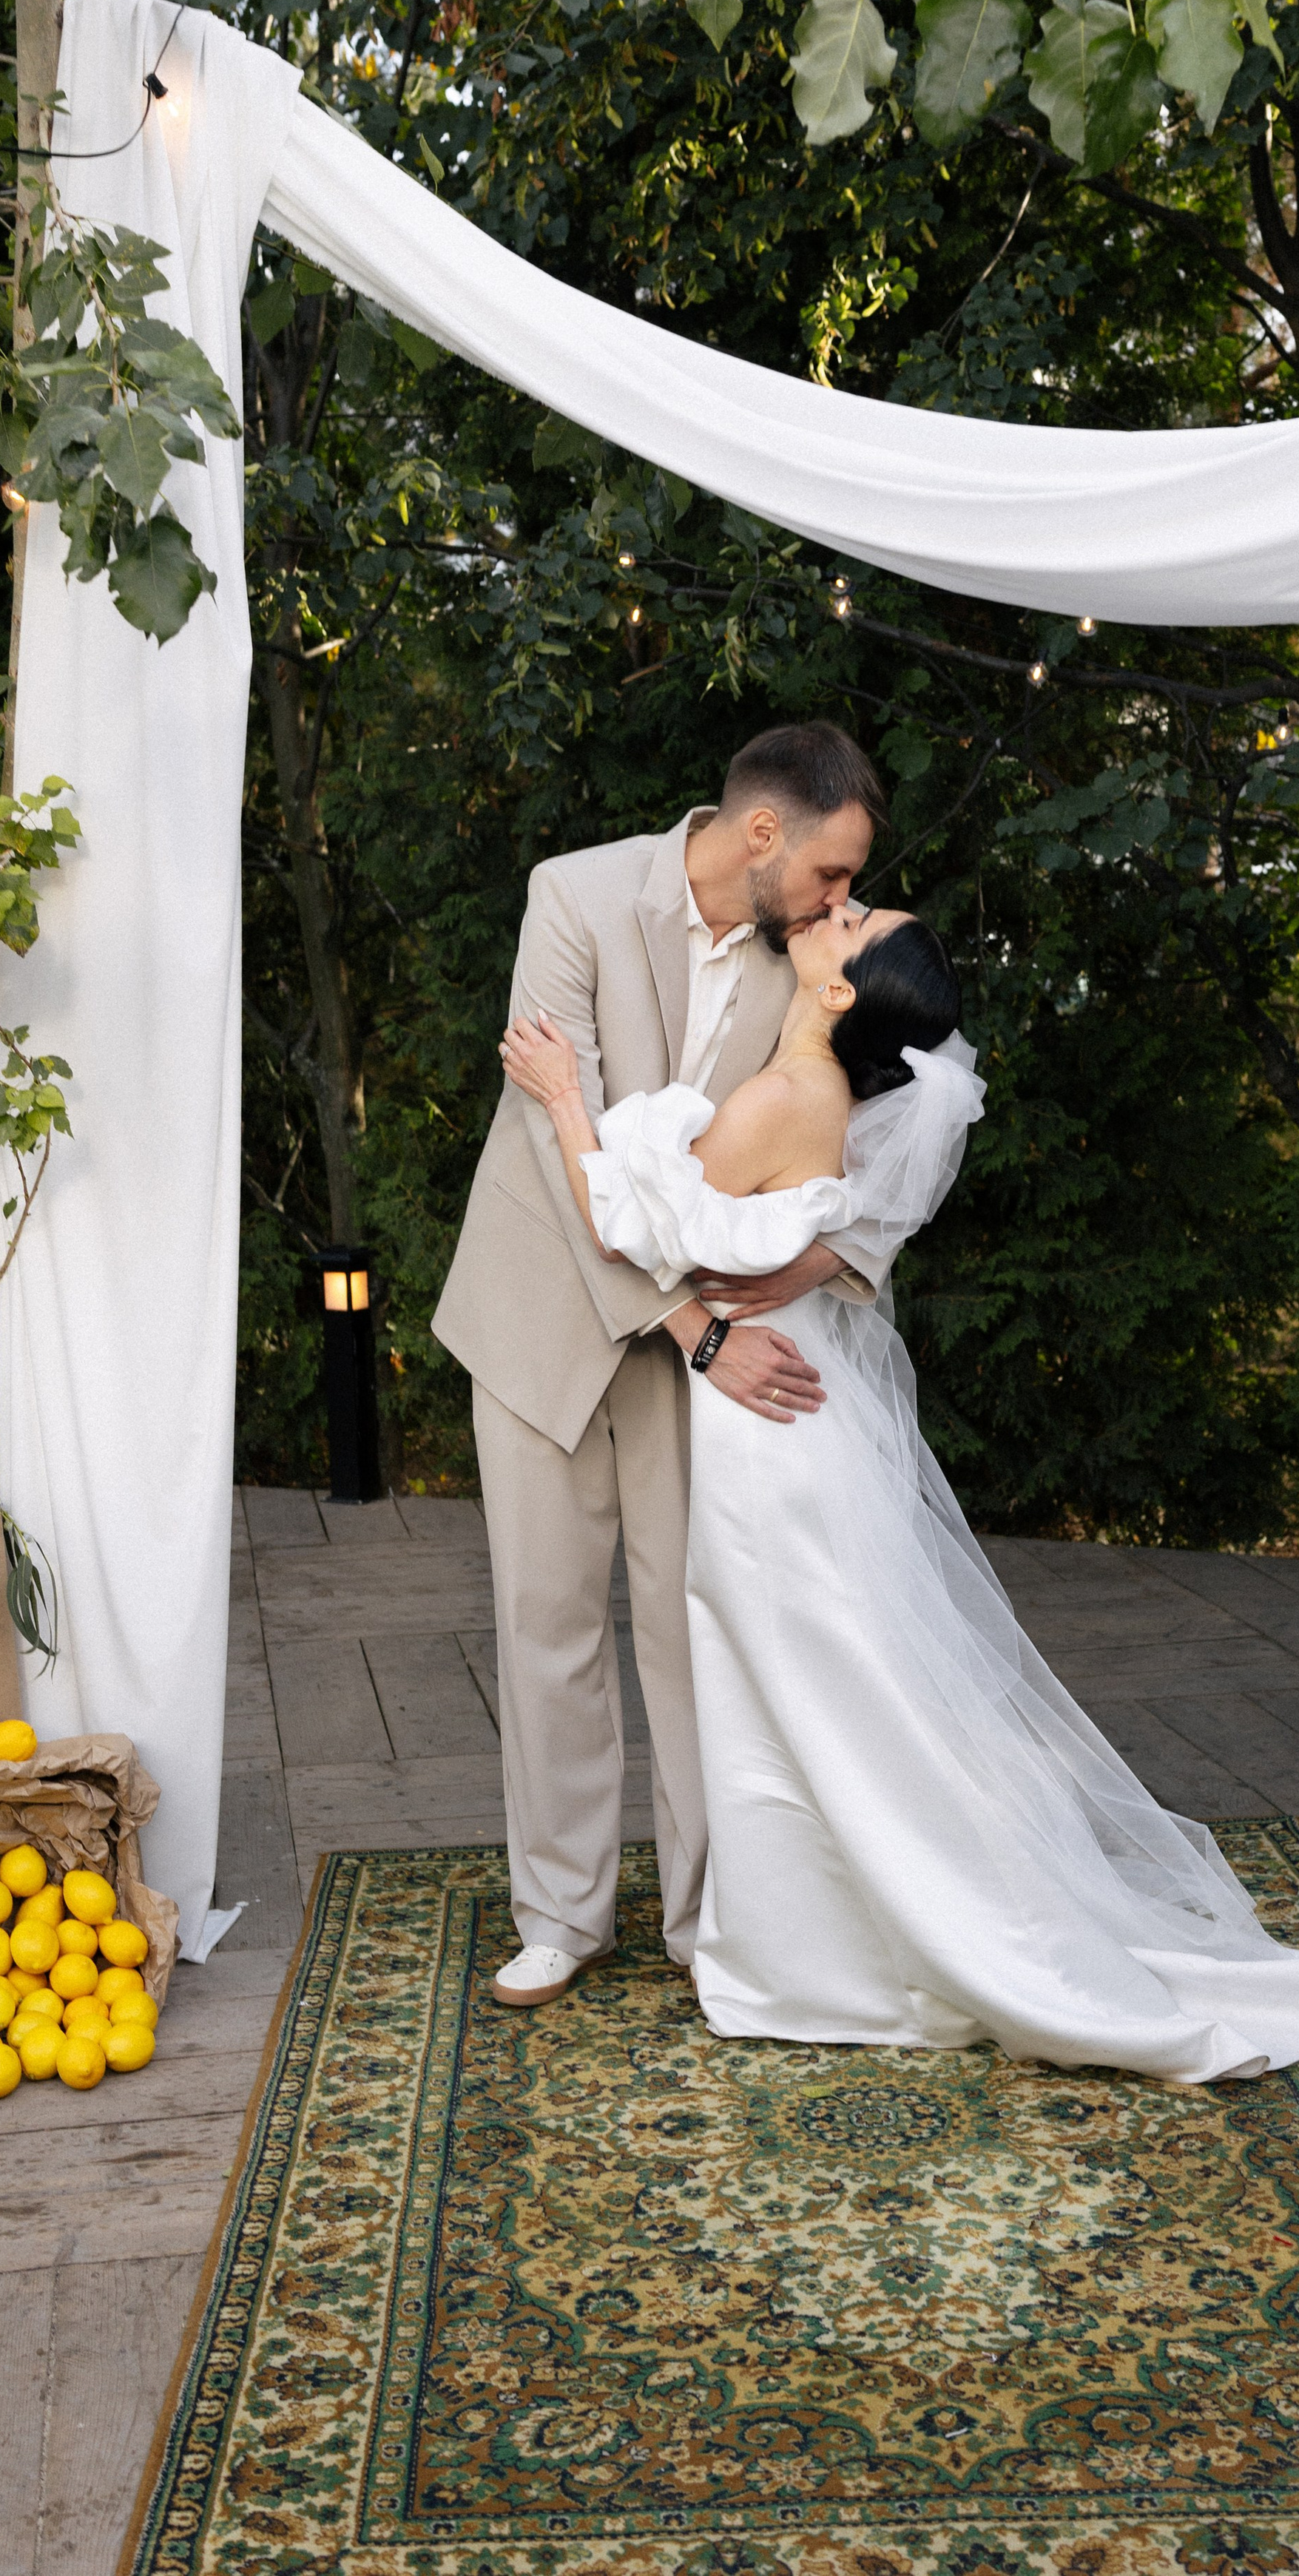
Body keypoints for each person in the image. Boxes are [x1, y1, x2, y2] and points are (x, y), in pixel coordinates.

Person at [499, 904, 1299, 2086]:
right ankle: (802, 1940)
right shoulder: (827, 1098)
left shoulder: (787, 1099)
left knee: (804, 1679)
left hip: (767, 1433)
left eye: (853, 920)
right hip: (792, 1402)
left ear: (837, 995)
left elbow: (625, 1225)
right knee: (812, 1678)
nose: (836, 911)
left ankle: (850, 1949)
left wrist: (565, 1101)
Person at [432, 724, 898, 2008]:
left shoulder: (801, 965)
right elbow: (552, 1136)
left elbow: (859, 1159)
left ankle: (707, 1918)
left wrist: (804, 1282)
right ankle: (562, 1913)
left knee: (691, 1630)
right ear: (763, 834)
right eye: (830, 874)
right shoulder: (573, 896)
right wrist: (699, 1327)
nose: (838, 901)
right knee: (545, 1624)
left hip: (707, 1349)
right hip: (545, 1313)